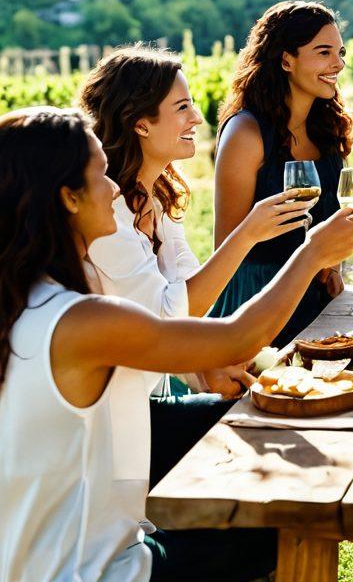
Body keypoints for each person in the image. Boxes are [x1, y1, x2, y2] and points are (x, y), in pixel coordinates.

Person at [0, 106, 353, 582]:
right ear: (68, 198)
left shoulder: (27, 301)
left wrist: (196, 366)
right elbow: (239, 335)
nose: (115, 188)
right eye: (101, 175)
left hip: (39, 562)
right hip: (97, 572)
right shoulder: (79, 319)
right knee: (292, 522)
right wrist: (311, 253)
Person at [80, 45, 315, 486]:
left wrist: (201, 367)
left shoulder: (157, 199)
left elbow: (189, 298)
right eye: (182, 107)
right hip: (113, 422)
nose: (197, 119)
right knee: (260, 437)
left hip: (150, 393)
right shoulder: (107, 214)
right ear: (141, 122)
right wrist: (246, 234)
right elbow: (168, 314)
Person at [212, 0, 353, 346]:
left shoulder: (326, 128)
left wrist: (331, 268)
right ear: (286, 59)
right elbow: (226, 248)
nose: (338, 64)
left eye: (340, 52)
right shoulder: (246, 133)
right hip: (257, 305)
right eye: (323, 52)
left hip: (317, 302)